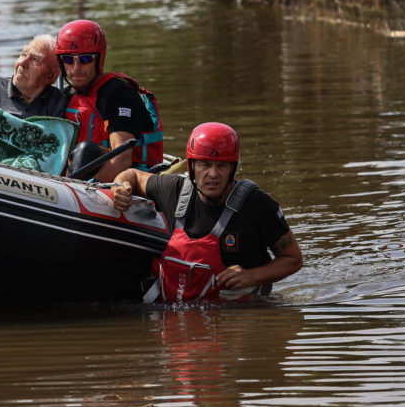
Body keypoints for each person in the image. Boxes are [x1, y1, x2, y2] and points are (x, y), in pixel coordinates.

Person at [110, 122, 302, 303]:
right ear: (191, 167)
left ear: (233, 169)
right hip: (176, 320)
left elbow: (293, 259)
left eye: (222, 165)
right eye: (205, 164)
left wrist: (251, 276)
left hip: (239, 320)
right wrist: (120, 186)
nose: (213, 174)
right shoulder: (174, 190)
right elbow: (133, 175)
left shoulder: (258, 205)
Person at [57, 19, 163, 182]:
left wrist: (81, 189)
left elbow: (122, 159)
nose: (76, 68)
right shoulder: (66, 96)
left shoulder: (119, 95)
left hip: (129, 179)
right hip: (78, 177)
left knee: (86, 150)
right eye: (68, 60)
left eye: (85, 59)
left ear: (99, 59)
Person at [0, 34, 67, 119]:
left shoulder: (57, 102)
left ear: (52, 76)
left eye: (35, 59)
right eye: (23, 54)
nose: (22, 63)